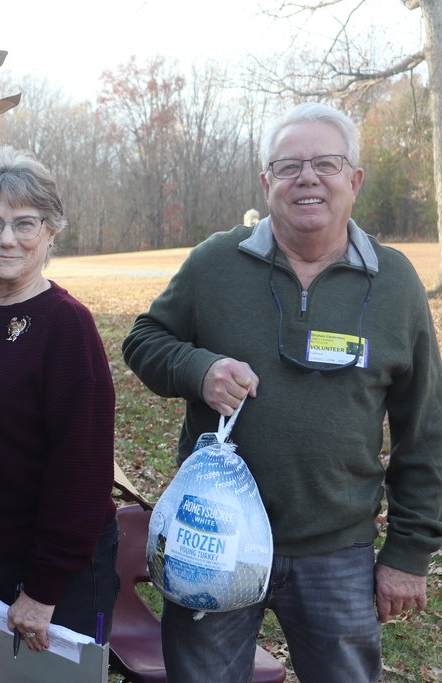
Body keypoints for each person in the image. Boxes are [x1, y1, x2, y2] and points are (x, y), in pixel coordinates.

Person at [122, 102, 442, 682]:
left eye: (326, 163)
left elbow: (426, 429)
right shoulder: (215, 262)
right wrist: (200, 368)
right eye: (289, 166)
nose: (308, 178)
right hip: (211, 537)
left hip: (335, 552)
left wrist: (408, 553)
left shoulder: (395, 284)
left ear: (355, 179)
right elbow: (144, 340)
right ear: (267, 183)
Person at [0, 147, 119, 651]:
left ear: (51, 232)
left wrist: (43, 587)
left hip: (55, 573)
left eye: (25, 223)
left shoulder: (67, 325)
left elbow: (83, 467)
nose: (6, 238)